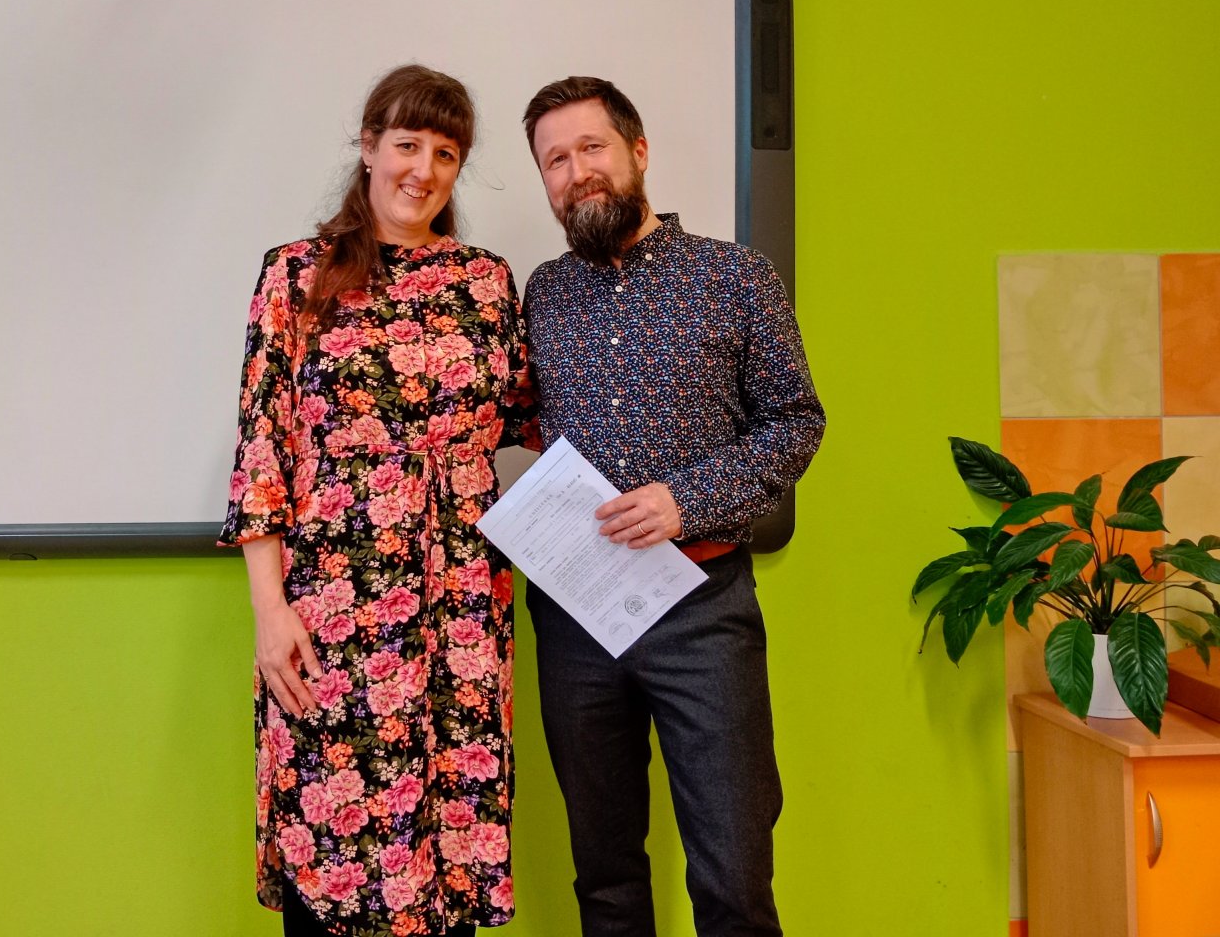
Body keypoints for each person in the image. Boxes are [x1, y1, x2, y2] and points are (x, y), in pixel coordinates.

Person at [220, 65, 537, 937]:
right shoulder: (297, 274)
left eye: (446, 153)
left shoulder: (485, 281)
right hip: (332, 601)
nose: (423, 170)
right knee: (335, 830)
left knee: (448, 830)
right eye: (407, 145)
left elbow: (529, 417)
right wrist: (269, 612)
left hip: (461, 598)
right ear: (368, 148)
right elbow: (261, 449)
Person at [518, 76, 825, 937]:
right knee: (606, 878)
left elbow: (797, 421)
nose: (576, 171)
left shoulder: (736, 276)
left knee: (733, 876)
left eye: (591, 147)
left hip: (704, 610)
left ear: (639, 151)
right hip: (575, 617)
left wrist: (685, 500)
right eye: (554, 160)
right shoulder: (543, 293)